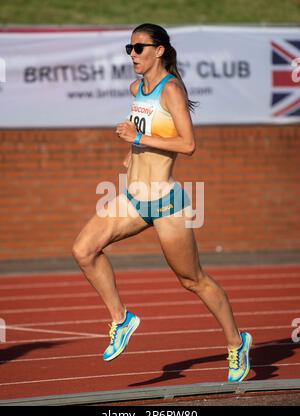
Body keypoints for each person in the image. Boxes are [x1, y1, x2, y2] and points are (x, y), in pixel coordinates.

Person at [72, 23, 252, 382]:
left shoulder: (172, 90)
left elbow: (187, 145)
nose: (133, 55)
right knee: (83, 250)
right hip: (133, 197)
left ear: (159, 50)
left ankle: (237, 342)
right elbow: (152, 131)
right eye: (130, 48)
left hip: (167, 202)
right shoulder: (136, 87)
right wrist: (132, 150)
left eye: (140, 48)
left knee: (192, 280)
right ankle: (122, 319)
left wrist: (139, 136)